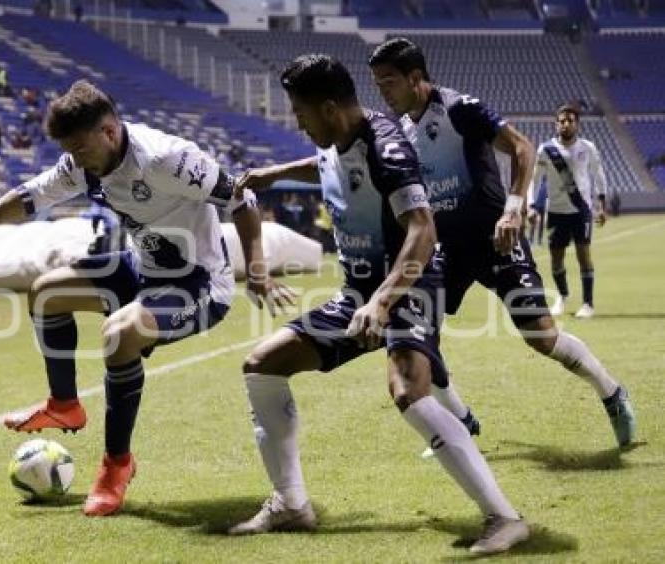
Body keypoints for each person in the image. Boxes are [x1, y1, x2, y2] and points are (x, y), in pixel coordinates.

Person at [0, 80, 292, 518]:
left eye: (80, 149)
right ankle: (65, 406)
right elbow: (30, 198)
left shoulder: (167, 158)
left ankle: (117, 465)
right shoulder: (83, 162)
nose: (74, 160)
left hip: (197, 283)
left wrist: (257, 270)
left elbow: (242, 198)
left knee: (119, 335)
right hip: (142, 268)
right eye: (70, 151)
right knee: (46, 293)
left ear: (110, 132)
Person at [228, 54, 528, 555]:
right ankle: (292, 504)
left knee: (408, 389)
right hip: (361, 293)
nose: (297, 122)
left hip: (411, 282)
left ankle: (504, 518)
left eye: (300, 113)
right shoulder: (338, 137)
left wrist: (384, 301)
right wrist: (271, 174)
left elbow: (423, 230)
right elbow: (325, 165)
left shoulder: (387, 148)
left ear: (328, 108)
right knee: (262, 365)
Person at [368, 38, 635, 450]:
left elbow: (521, 147)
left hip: (496, 240)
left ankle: (612, 392)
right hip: (444, 251)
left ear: (415, 78)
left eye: (388, 82)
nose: (382, 92)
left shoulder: (459, 108)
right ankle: (461, 422)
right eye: (378, 83)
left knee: (541, 337)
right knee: (421, 341)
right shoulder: (400, 131)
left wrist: (513, 209)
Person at [529, 105, 607, 319]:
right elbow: (534, 181)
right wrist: (530, 206)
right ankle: (563, 297)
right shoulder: (546, 150)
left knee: (584, 256)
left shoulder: (587, 147)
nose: (565, 124)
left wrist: (601, 205)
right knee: (556, 259)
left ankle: (588, 304)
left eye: (570, 120)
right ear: (556, 124)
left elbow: (598, 174)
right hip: (555, 211)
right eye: (561, 121)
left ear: (577, 124)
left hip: (581, 210)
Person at [527, 180, 547, 246]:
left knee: (541, 223)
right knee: (533, 223)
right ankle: (530, 239)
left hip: (542, 204)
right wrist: (530, 204)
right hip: (535, 204)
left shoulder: (546, 182)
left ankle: (539, 240)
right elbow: (530, 192)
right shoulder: (535, 181)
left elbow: (547, 194)